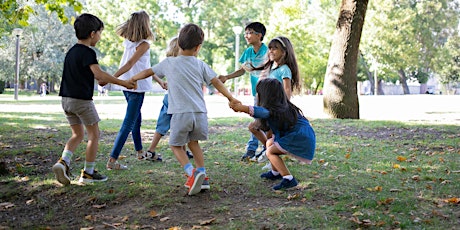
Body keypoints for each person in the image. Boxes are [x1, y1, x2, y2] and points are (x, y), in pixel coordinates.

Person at [129, 23, 240, 195]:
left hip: (180, 114)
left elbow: (149, 72)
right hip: (200, 114)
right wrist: (231, 98)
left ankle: (191, 173)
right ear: (198, 47)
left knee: (175, 145)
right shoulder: (200, 64)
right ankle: (202, 174)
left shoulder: (169, 63)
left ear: (178, 44)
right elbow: (216, 82)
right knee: (193, 143)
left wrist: (134, 78)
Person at [52, 13, 135, 185]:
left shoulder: (71, 52)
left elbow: (95, 76)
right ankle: (88, 173)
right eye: (100, 33)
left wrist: (103, 79)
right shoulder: (88, 52)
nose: (100, 36)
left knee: (77, 134)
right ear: (92, 34)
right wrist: (123, 82)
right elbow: (98, 74)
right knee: (94, 135)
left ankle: (63, 162)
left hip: (66, 100)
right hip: (81, 101)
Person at [229, 78, 315, 190]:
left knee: (270, 152)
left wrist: (242, 108)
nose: (257, 96)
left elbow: (261, 112)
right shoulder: (282, 108)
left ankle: (289, 179)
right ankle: (276, 172)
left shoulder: (275, 110)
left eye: (258, 93)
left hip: (299, 137)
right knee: (270, 144)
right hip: (300, 136)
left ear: (266, 96)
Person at [106, 11, 166, 170]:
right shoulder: (144, 44)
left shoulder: (128, 42)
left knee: (136, 119)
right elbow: (130, 64)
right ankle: (112, 160)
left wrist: (159, 81)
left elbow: (145, 66)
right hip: (135, 86)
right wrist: (110, 77)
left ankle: (140, 152)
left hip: (127, 85)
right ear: (145, 24)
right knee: (129, 122)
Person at [218, 22, 268, 161]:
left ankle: (255, 149)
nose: (246, 36)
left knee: (260, 121)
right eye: (245, 33)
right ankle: (261, 148)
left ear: (259, 35)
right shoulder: (248, 52)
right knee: (258, 120)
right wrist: (227, 77)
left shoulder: (268, 51)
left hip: (269, 93)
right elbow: (242, 70)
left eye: (250, 32)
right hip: (256, 93)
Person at [248, 36, 301, 165]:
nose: (270, 51)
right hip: (267, 107)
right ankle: (268, 151)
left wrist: (285, 107)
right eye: (270, 48)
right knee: (254, 128)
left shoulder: (284, 69)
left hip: (276, 109)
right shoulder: (271, 68)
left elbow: (287, 89)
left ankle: (271, 158)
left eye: (274, 49)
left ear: (284, 52)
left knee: (269, 134)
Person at [145, 37, 194, 161]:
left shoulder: (168, 62)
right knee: (181, 124)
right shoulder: (185, 63)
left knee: (162, 125)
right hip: (178, 99)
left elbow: (152, 71)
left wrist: (163, 82)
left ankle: (151, 150)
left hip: (169, 97)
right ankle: (182, 150)